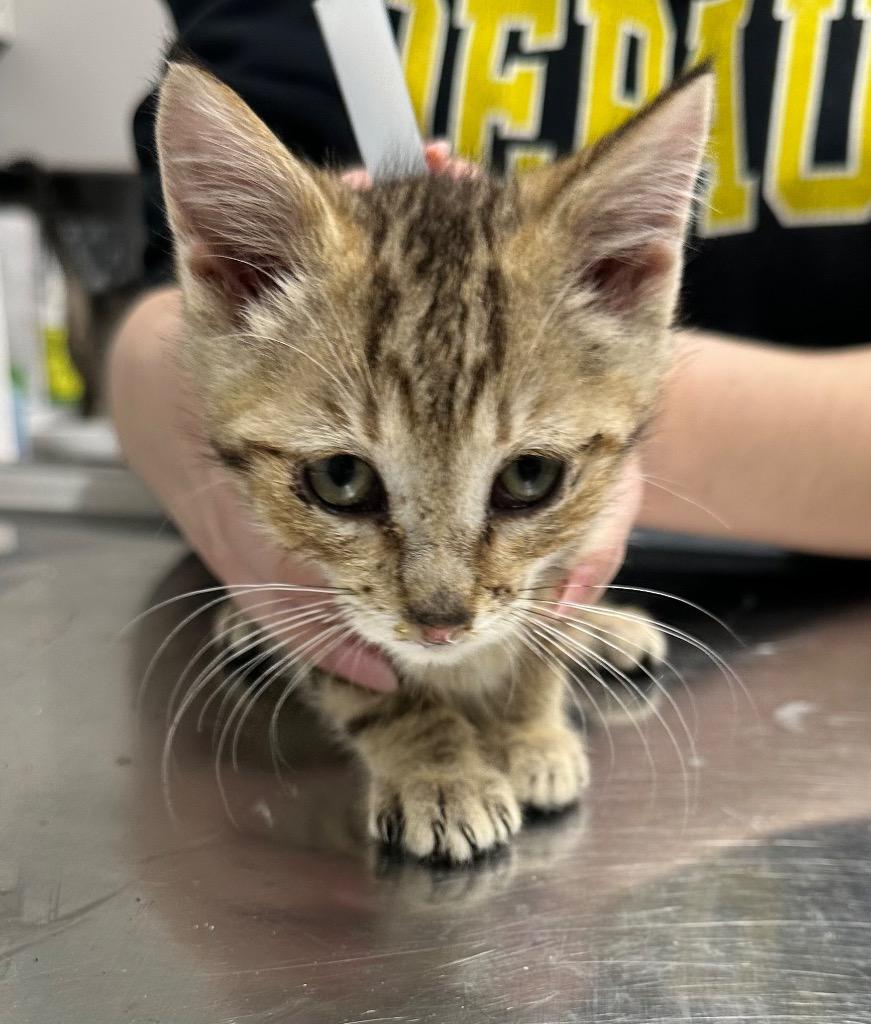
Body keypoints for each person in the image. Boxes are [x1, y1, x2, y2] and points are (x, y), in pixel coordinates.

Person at [110, 0, 871, 692]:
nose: (439, 607)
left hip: (809, 629)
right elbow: (153, 333)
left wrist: (583, 380)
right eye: (342, 478)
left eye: (529, 475)